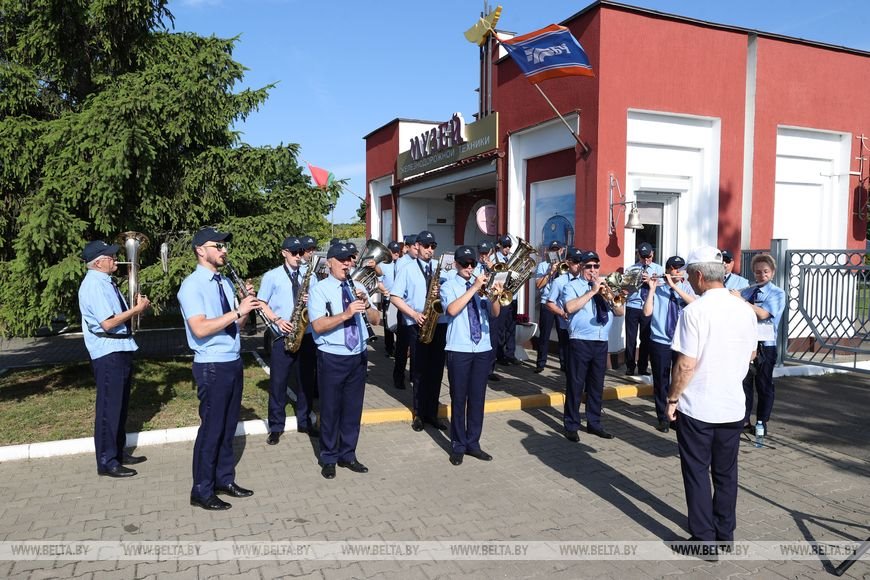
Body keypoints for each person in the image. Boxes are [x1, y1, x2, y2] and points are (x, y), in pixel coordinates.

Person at [667, 245, 757, 546]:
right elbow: (752, 353)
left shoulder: (694, 311)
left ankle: (704, 538)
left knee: (696, 471)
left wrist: (672, 399)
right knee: (726, 473)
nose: (689, 281)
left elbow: (685, 364)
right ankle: (725, 534)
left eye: (691, 276)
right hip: (732, 405)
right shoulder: (744, 309)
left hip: (698, 407)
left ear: (701, 275)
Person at [178, 227, 272, 510]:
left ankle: (223, 479)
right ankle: (201, 490)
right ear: (200, 250)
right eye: (217, 246)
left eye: (223, 246)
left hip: (232, 360)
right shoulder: (192, 285)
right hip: (211, 365)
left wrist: (246, 308)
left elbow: (235, 325)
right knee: (212, 429)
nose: (223, 250)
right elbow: (200, 327)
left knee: (228, 427)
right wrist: (238, 311)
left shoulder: (224, 283)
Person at [78, 240, 151, 478]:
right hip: (108, 351)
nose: (115, 260)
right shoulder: (94, 285)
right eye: (110, 257)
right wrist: (136, 310)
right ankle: (107, 461)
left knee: (119, 406)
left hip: (119, 348)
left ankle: (117, 452)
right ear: (98, 263)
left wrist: (133, 308)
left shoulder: (105, 282)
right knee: (109, 408)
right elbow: (108, 323)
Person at [308, 242, 381, 479]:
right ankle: (328, 457)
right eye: (342, 259)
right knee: (330, 409)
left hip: (357, 355)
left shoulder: (358, 285)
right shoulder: (320, 290)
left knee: (352, 409)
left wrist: (368, 304)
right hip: (332, 356)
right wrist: (347, 314)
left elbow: (377, 320)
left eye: (350, 259)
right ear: (330, 262)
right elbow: (318, 325)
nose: (347, 264)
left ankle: (348, 454)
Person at [441, 245, 502, 465]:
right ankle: (458, 444)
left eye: (472, 264)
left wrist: (495, 297)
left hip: (482, 347)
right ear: (457, 264)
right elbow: (451, 310)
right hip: (459, 348)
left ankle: (473, 443)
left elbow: (495, 313)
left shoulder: (482, 286)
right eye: (465, 264)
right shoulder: (449, 285)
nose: (469, 267)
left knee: (477, 398)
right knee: (459, 398)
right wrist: (473, 288)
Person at [258, 236, 319, 445]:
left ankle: (305, 421)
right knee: (278, 384)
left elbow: (320, 301)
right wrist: (277, 320)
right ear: (284, 252)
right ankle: (275, 426)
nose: (299, 256)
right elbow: (261, 304)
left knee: (306, 382)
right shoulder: (272, 276)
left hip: (307, 335)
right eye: (294, 253)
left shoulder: (309, 275)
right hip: (282, 335)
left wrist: (312, 299)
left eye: (301, 252)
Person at [560, 249, 625, 441]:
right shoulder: (572, 286)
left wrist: (609, 295)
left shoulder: (605, 286)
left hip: (600, 341)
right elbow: (570, 307)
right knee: (576, 385)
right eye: (589, 266)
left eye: (596, 266)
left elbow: (620, 311)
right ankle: (571, 424)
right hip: (580, 340)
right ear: (581, 267)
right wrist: (592, 291)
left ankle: (594, 423)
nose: (593, 270)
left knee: (597, 385)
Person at [390, 231, 447, 431]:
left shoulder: (441, 269)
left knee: (436, 371)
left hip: (439, 324)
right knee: (420, 371)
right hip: (418, 323)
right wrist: (414, 315)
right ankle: (419, 413)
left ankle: (432, 412)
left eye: (433, 246)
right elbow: (394, 297)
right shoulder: (407, 269)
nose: (429, 250)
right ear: (418, 246)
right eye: (426, 246)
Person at [641, 255, 695, 432]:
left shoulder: (687, 287)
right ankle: (663, 417)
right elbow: (647, 312)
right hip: (660, 340)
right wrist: (651, 289)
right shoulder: (658, 288)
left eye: (680, 268)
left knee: (679, 379)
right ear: (667, 270)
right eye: (673, 268)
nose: (677, 271)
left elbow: (694, 304)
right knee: (661, 380)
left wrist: (674, 286)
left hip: (681, 341)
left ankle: (676, 414)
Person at [735, 253, 786, 436]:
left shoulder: (778, 293)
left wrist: (741, 301)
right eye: (757, 272)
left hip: (766, 345)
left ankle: (762, 422)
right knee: (745, 383)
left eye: (765, 272)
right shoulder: (748, 291)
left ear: (772, 273)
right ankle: (744, 419)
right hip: (747, 344)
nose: (761, 276)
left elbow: (763, 314)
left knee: (764, 385)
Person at [623, 242, 664, 375]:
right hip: (633, 306)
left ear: (653, 254)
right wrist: (636, 281)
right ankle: (629, 366)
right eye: (643, 257)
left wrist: (651, 283)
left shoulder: (658, 269)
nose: (646, 260)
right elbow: (625, 290)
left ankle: (642, 367)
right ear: (638, 255)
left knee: (646, 338)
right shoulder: (631, 269)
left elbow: (664, 287)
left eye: (649, 257)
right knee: (631, 338)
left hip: (649, 306)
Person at [534, 240, 565, 373]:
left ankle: (564, 364)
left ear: (561, 251)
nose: (555, 252)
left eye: (557, 250)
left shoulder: (565, 265)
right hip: (546, 302)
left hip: (561, 304)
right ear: (548, 251)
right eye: (553, 250)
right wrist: (550, 272)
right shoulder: (543, 265)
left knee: (563, 335)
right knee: (544, 334)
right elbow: (538, 285)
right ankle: (541, 363)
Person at [474, 240, 501, 382]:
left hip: (491, 304)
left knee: (493, 338)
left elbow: (503, 283)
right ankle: (479, 367)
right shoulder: (474, 268)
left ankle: (490, 369)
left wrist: (493, 270)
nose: (483, 255)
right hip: (478, 306)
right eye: (481, 253)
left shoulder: (495, 267)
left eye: (486, 253)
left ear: (490, 253)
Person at [493, 235, 519, 366]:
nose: (507, 249)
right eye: (505, 246)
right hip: (501, 298)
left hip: (512, 296)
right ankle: (500, 354)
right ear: (500, 246)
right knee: (500, 328)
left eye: (509, 246)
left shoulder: (512, 258)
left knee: (511, 326)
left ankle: (511, 354)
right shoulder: (494, 258)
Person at [378, 241, 402, 358]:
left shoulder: (402, 263)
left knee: (400, 324)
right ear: (388, 252)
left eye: (398, 251)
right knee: (388, 325)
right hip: (389, 298)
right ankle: (389, 348)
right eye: (394, 251)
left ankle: (401, 347)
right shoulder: (382, 265)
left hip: (401, 299)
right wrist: (384, 291)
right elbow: (379, 282)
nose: (396, 253)